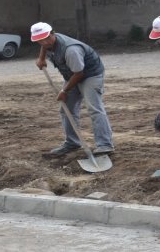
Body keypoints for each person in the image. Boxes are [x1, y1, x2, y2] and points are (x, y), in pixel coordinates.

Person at [31, 22, 115, 156]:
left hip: (90, 75)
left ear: (53, 33)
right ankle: (72, 142)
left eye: (46, 38)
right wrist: (41, 58)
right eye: (40, 40)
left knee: (94, 108)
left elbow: (79, 73)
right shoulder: (48, 42)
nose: (44, 42)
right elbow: (45, 45)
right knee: (66, 109)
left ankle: (105, 145)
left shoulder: (71, 49)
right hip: (72, 75)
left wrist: (64, 91)